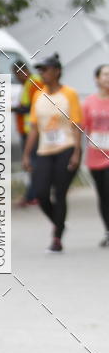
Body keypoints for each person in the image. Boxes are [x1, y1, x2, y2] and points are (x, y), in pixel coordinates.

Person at [23, 53, 82, 252]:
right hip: (45, 150)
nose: (42, 74)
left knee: (60, 193)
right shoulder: (38, 95)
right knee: (40, 192)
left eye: (45, 70)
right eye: (39, 70)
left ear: (57, 71)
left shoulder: (69, 93)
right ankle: (60, 222)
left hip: (66, 147)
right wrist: (26, 154)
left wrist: (76, 152)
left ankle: (57, 238)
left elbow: (76, 125)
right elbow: (34, 128)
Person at [82, 63, 109, 246]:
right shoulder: (89, 102)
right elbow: (83, 128)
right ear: (97, 78)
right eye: (105, 74)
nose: (108, 78)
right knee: (103, 196)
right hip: (95, 155)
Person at [12, 60, 43, 206]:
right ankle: (32, 194)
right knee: (31, 163)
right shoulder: (28, 84)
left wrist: (14, 109)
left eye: (17, 74)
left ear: (22, 71)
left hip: (33, 131)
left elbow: (33, 107)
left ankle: (33, 195)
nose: (16, 78)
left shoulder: (34, 83)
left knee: (33, 163)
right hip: (27, 130)